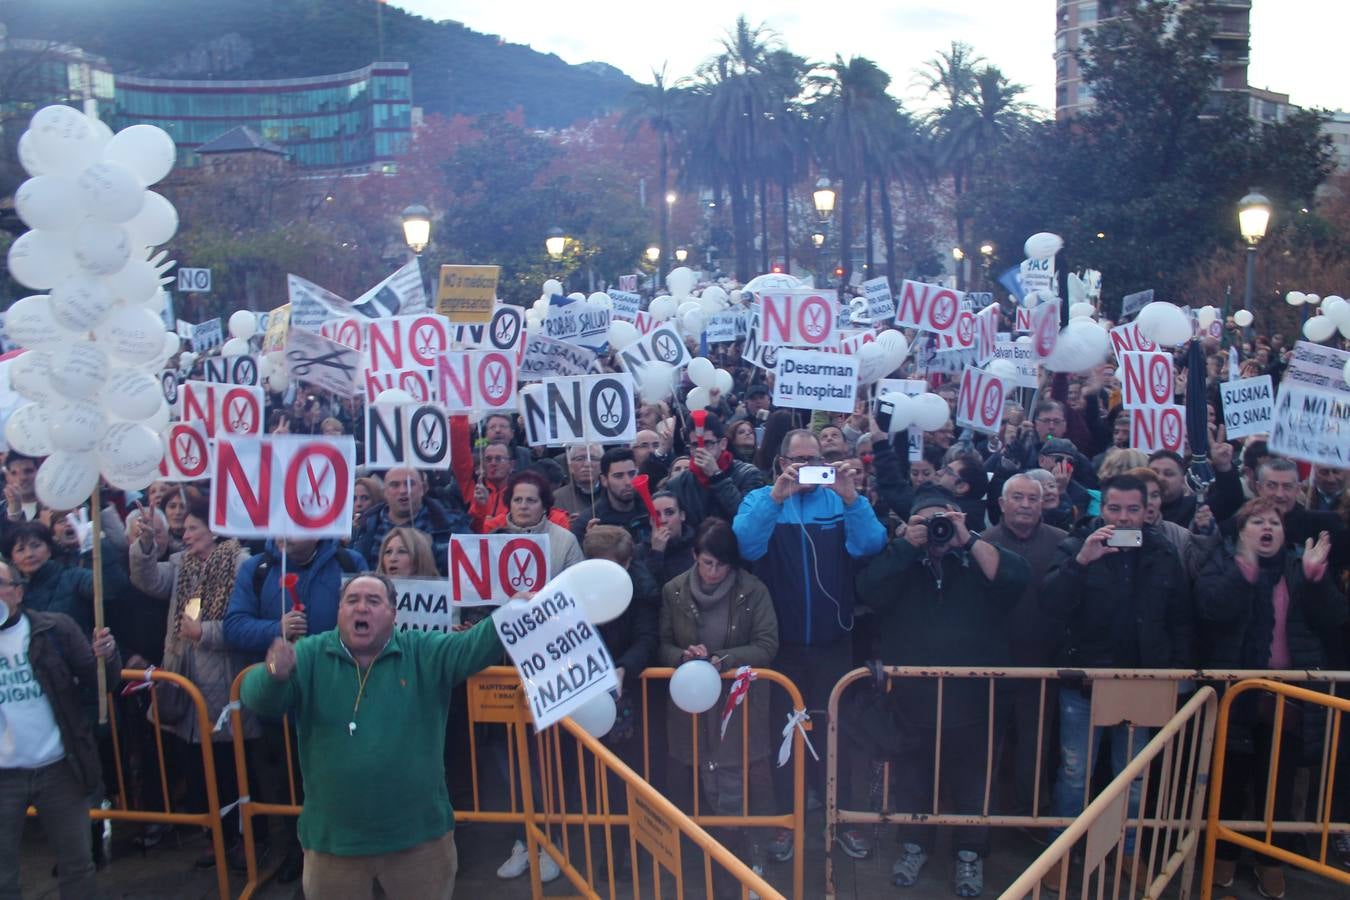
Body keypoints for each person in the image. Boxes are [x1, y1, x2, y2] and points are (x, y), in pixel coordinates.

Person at [240, 574, 504, 900]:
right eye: (352, 600)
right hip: (333, 844)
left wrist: (514, 611)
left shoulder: (422, 651)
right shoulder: (309, 654)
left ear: (394, 613)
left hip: (419, 841)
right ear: (339, 611)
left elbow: (473, 648)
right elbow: (257, 699)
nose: (361, 607)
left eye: (373, 601)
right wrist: (272, 673)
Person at [857, 486, 1030, 896]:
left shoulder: (976, 557)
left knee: (973, 785)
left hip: (975, 702)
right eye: (928, 522)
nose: (936, 529)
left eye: (944, 520)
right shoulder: (902, 561)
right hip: (912, 703)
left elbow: (1016, 577)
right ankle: (915, 846)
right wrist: (905, 547)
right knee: (914, 781)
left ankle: (970, 856)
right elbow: (868, 591)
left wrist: (966, 538)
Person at [733, 428, 886, 861]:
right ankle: (787, 821)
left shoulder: (838, 500)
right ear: (781, 463)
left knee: (838, 733)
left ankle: (842, 818)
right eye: (796, 459)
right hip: (780, 644)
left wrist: (853, 498)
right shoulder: (761, 499)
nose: (804, 467)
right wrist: (775, 498)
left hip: (832, 641)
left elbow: (870, 544)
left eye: (813, 458)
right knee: (786, 736)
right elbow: (746, 543)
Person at [1039, 475, 1193, 889]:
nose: (1123, 517)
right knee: (1074, 774)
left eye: (1132, 510)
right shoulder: (1076, 545)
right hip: (1085, 685)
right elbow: (1050, 603)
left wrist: (1176, 673)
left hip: (1142, 685)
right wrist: (1082, 562)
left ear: (1147, 511)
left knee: (1133, 776)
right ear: (1101, 510)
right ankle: (1059, 852)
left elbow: (1180, 618)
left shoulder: (1163, 553)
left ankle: (1125, 852)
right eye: (1114, 509)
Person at [1195, 500, 1344, 898]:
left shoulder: (1300, 567)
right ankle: (1222, 856)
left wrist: (1316, 581)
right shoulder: (1221, 562)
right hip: (1235, 696)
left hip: (1288, 697)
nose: (1267, 528)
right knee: (1229, 783)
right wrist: (1243, 571)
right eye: (1256, 521)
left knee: (1276, 786)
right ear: (1241, 530)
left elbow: (1333, 621)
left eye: (1274, 522)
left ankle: (1270, 861)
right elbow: (1211, 610)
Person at [128, 493, 263, 868]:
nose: (184, 535)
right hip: (184, 680)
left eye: (192, 528)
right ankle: (215, 838)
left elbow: (244, 624)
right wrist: (144, 545)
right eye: (183, 528)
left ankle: (248, 839)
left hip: (222, 681)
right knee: (197, 767)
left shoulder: (242, 565)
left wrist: (206, 632)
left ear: (215, 528)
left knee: (231, 767)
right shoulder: (181, 564)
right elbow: (148, 579)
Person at [658, 517, 778, 892]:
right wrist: (682, 657)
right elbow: (661, 644)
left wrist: (723, 660)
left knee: (741, 777)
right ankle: (706, 856)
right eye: (707, 562)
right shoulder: (673, 591)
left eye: (722, 564)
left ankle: (748, 849)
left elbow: (767, 644)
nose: (713, 571)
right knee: (696, 775)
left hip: (738, 707)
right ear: (695, 556)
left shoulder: (753, 591)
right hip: (691, 709)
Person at [0, 559, 120, 900]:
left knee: (77, 865)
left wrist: (107, 656)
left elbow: (104, 683)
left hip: (59, 767)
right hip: (4, 775)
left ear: (18, 592)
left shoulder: (55, 629)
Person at [981, 474, 1069, 819]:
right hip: (993, 662)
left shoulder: (1062, 542)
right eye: (1018, 497)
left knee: (1036, 744)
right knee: (990, 744)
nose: (1026, 505)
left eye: (1033, 499)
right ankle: (983, 815)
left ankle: (1031, 814)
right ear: (1002, 504)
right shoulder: (983, 543)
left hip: (1042, 661)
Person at [350, 466, 468, 574]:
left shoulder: (452, 526)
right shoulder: (363, 527)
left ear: (423, 488)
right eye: (395, 485)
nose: (403, 491)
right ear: (384, 492)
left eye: (410, 484)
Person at [663, 413, 764, 529]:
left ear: (722, 444)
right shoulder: (678, 484)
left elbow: (748, 517)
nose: (701, 450)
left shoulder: (748, 474)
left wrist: (717, 476)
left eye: (708, 443)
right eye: (695, 445)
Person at [494, 471, 583, 579]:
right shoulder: (493, 538)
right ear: (509, 504)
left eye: (531, 500)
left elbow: (576, 583)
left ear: (544, 506)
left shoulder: (566, 540)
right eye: (517, 500)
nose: (523, 506)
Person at [573, 448, 649, 543]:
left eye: (632, 474)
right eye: (618, 476)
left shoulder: (651, 511)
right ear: (604, 480)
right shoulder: (588, 521)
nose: (628, 482)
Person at [643, 491, 696, 586]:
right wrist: (656, 553)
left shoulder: (698, 545)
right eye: (657, 515)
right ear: (651, 520)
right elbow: (647, 591)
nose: (663, 520)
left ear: (682, 515)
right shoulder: (639, 551)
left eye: (670, 512)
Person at [468, 442, 515, 533]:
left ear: (511, 465)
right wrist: (480, 506)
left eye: (498, 459)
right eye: (488, 459)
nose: (493, 463)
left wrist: (489, 523)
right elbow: (472, 529)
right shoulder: (476, 490)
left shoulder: (519, 492)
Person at [552, 444, 603, 521]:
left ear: (602, 465)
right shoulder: (557, 498)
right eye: (580, 459)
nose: (587, 464)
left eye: (593, 458)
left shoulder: (613, 494)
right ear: (570, 466)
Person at [1147, 450, 1196, 527]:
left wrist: (1221, 469)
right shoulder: (1134, 508)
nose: (1160, 478)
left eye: (1168, 474)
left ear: (1182, 480)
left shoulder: (1196, 508)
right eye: (1154, 472)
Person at [375, 527, 440, 578]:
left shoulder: (444, 592)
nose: (392, 559)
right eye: (388, 552)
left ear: (419, 558)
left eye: (402, 551)